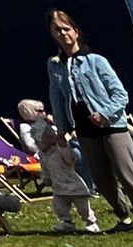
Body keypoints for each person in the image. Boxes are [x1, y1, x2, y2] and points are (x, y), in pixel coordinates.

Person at [44, 8, 133, 236]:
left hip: (112, 127)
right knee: (102, 179)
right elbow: (56, 97)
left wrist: (104, 113)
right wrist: (62, 128)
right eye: (57, 30)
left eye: (66, 29)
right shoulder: (55, 65)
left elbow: (121, 95)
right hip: (84, 130)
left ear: (76, 31)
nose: (63, 34)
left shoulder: (95, 61)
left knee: (127, 175)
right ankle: (124, 217)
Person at [16, 97, 97, 234]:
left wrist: (64, 145)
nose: (41, 143)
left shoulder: (59, 150)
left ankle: (91, 222)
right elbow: (44, 166)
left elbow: (71, 160)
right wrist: (45, 177)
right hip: (58, 187)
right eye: (39, 141)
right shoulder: (43, 153)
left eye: (44, 140)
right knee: (59, 206)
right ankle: (66, 222)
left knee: (83, 206)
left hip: (74, 186)